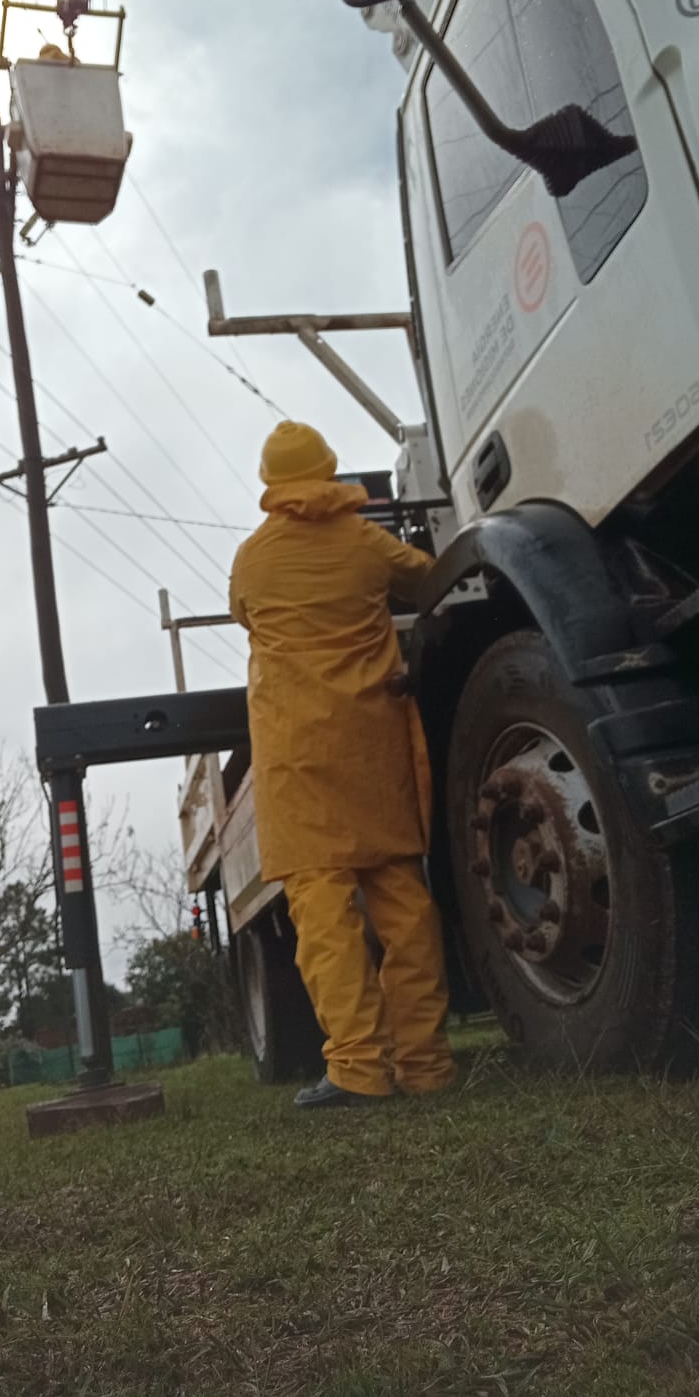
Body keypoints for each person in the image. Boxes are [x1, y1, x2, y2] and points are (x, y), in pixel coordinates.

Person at [229, 421, 456, 1109]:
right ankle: (425, 1063)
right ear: (329, 470)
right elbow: (426, 579)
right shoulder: (366, 542)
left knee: (324, 916)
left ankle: (357, 1066)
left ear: (270, 482)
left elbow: (244, 614)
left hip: (297, 761)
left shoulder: (253, 559)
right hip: (371, 747)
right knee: (404, 904)